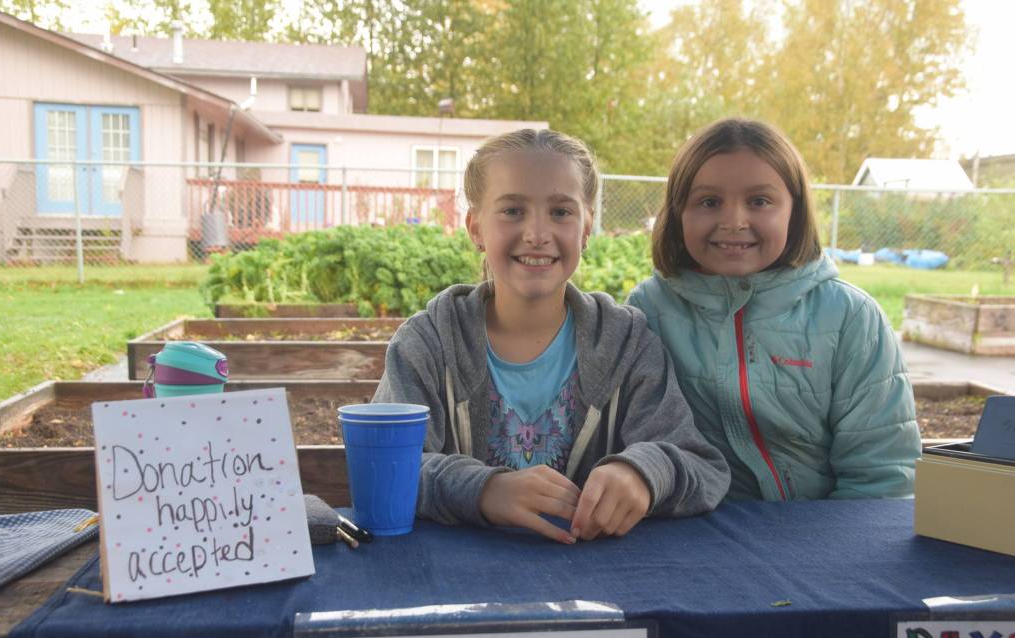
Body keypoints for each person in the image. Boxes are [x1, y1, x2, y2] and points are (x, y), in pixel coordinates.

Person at [374, 129, 729, 543]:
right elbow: (385, 467)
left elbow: (699, 463)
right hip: (455, 584)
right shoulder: (428, 343)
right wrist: (484, 489)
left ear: (587, 227)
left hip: (600, 587)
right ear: (475, 227)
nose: (537, 234)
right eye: (512, 211)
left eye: (561, 212)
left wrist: (643, 473)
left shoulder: (627, 343)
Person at [627, 118, 920, 501]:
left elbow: (882, 478)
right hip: (689, 531)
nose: (733, 221)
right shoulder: (649, 309)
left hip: (820, 535)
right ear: (679, 211)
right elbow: (633, 439)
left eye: (759, 201)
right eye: (709, 202)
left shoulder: (851, 319)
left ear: (793, 212)